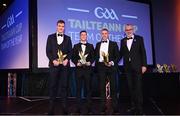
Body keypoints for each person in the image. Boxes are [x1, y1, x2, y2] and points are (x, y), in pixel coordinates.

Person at [119, 24, 147, 114]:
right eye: (127, 30)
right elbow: (121, 54)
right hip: (127, 68)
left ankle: (139, 108)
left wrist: (144, 65)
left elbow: (143, 52)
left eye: (130, 29)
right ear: (125, 31)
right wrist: (112, 62)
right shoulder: (123, 41)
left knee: (138, 88)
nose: (128, 31)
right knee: (131, 88)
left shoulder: (139, 38)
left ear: (133, 30)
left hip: (138, 67)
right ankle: (133, 106)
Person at [46, 19, 72, 114]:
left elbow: (70, 52)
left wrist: (67, 60)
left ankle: (65, 108)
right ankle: (51, 109)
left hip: (64, 67)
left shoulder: (68, 38)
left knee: (64, 87)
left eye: (63, 26)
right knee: (53, 87)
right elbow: (48, 51)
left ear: (64, 28)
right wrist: (53, 60)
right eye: (59, 26)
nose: (61, 28)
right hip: (54, 66)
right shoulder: (50, 37)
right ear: (57, 26)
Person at [95, 28, 119, 113]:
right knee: (101, 87)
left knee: (113, 87)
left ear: (108, 34)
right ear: (101, 35)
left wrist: (111, 62)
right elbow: (95, 56)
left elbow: (118, 56)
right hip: (101, 67)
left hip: (111, 67)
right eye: (103, 33)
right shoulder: (98, 44)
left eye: (106, 33)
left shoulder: (114, 44)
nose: (104, 35)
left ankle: (115, 107)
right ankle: (103, 106)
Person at [72, 30, 95, 113]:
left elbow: (93, 57)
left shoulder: (91, 46)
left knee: (88, 89)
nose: (83, 36)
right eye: (82, 35)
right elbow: (73, 57)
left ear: (86, 36)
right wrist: (76, 63)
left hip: (88, 71)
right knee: (78, 89)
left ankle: (89, 107)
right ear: (80, 36)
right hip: (79, 71)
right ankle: (78, 108)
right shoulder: (75, 46)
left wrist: (90, 62)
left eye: (85, 35)